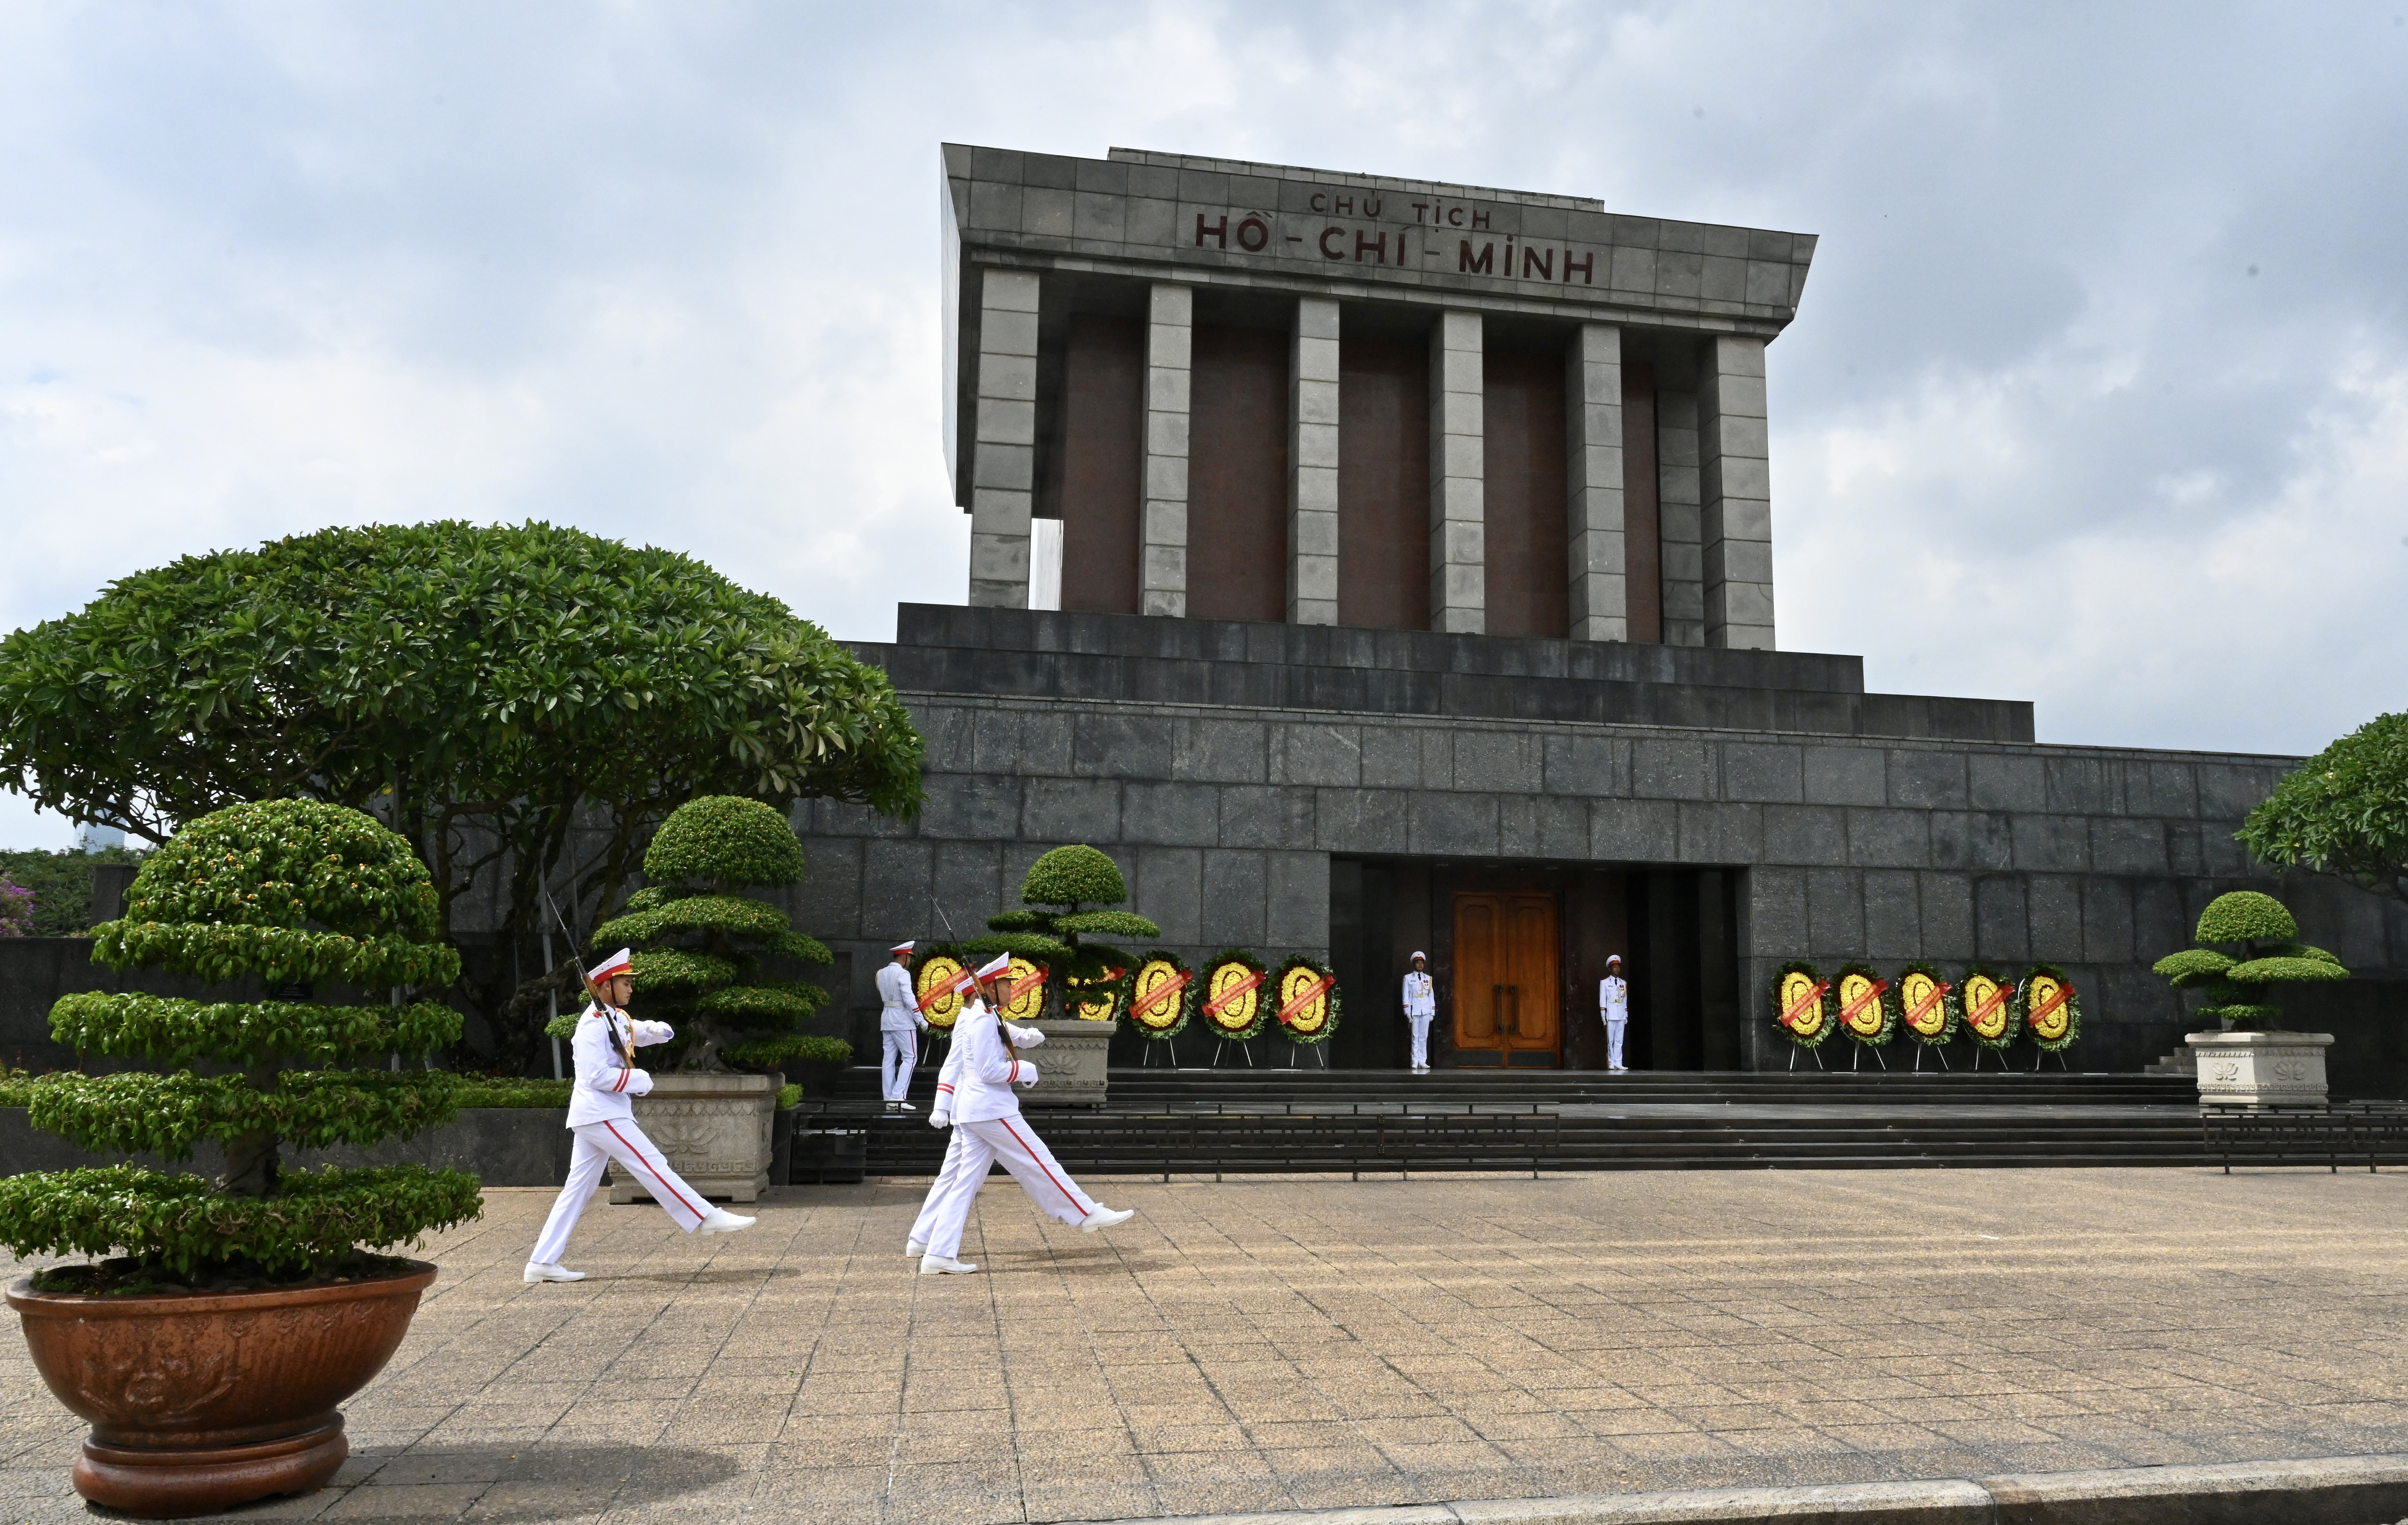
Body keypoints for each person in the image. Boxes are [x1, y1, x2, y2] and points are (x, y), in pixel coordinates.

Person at [525, 948, 756, 1283]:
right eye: (625, 982)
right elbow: (594, 1076)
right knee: (650, 1163)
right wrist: (638, 1080)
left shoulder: (614, 1017)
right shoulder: (590, 1027)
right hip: (601, 1112)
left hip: (601, 1113)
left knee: (578, 1190)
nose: (631, 988)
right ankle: (703, 1216)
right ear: (605, 986)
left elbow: (632, 1032)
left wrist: (659, 1031)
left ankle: (542, 1263)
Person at [910, 954, 1134, 1275]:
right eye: (1005, 984)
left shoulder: (986, 1016)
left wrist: (1025, 1038)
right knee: (1037, 1159)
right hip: (989, 1107)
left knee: (963, 1184)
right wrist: (1024, 1069)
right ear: (988, 987)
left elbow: (1004, 1035)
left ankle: (936, 1251)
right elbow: (988, 1070)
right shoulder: (981, 1019)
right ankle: (1084, 1213)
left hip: (978, 1110)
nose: (1012, 990)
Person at [876, 940, 926, 1111]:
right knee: (910, 1057)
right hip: (903, 1021)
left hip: (887, 1019)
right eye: (909, 958)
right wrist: (920, 1019)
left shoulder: (881, 973)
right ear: (904, 957)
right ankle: (898, 1097)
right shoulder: (903, 974)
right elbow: (909, 999)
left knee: (888, 1060)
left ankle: (888, 1098)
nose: (910, 962)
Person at [1401, 951, 1435, 1073]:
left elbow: (1431, 996)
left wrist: (1432, 1012)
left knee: (1424, 1036)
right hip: (1414, 1009)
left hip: (1426, 1009)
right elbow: (1405, 996)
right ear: (1414, 964)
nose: (1420, 965)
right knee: (1415, 1036)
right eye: (1418, 963)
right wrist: (1407, 1011)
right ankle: (1415, 1060)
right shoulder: (1408, 978)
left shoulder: (1428, 979)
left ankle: (1422, 1060)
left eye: (1422, 963)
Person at [1600, 954, 1629, 1072]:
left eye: (1619, 967)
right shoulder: (1605, 983)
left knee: (1619, 1040)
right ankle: (1611, 1062)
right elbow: (1603, 999)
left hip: (1621, 1014)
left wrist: (1626, 1015)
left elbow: (1625, 1000)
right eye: (1615, 967)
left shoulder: (1623, 983)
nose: (1617, 970)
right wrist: (1603, 1014)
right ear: (1610, 969)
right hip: (1611, 1014)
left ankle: (1619, 1062)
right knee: (1610, 1040)